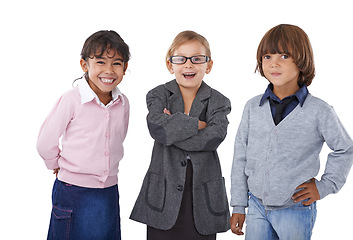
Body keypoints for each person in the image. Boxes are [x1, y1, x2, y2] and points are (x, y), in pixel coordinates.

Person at [230, 24, 353, 240]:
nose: (274, 63)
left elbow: (345, 148)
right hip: (256, 205)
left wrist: (325, 186)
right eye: (267, 56)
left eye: (284, 55)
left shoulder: (319, 111)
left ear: (302, 61)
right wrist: (239, 204)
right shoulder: (252, 107)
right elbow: (240, 157)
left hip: (295, 208)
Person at [130, 30, 231, 240]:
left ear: (208, 65)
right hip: (162, 198)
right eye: (181, 59)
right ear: (170, 65)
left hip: (202, 199)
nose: (189, 65)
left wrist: (174, 125)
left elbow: (214, 137)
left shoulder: (219, 101)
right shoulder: (158, 94)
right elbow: (159, 129)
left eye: (197, 59)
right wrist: (199, 124)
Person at [37, 30, 130, 240]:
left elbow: (118, 137)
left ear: (125, 68)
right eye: (100, 62)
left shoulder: (123, 103)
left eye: (116, 63)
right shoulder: (72, 99)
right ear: (84, 65)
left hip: (108, 189)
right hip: (73, 190)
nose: (108, 70)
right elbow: (45, 141)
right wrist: (55, 164)